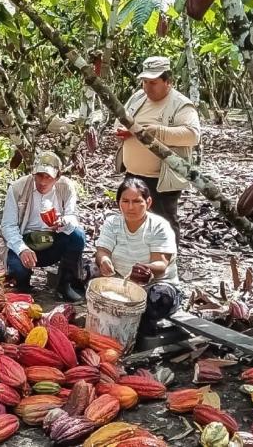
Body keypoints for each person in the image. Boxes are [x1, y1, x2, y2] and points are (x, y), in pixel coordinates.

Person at [115, 56, 201, 241]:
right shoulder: (138, 98)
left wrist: (155, 132)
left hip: (161, 178)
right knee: (134, 218)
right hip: (133, 173)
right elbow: (120, 119)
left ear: (168, 82)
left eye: (153, 82)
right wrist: (125, 130)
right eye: (145, 82)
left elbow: (193, 135)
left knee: (164, 221)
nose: (147, 87)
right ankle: (140, 259)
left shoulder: (180, 104)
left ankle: (168, 263)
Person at [95, 178, 182, 334]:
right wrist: (104, 260)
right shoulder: (112, 223)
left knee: (157, 299)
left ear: (148, 202)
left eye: (136, 201)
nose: (130, 207)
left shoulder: (159, 226)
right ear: (118, 203)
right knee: (88, 270)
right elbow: (102, 250)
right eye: (125, 201)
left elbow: (161, 265)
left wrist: (144, 269)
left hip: (155, 285)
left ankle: (142, 328)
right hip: (121, 282)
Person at [1, 151, 85, 302]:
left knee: (78, 237)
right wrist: (22, 249)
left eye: (48, 177)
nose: (43, 182)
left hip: (53, 241)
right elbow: (8, 226)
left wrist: (63, 222)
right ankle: (22, 284)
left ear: (58, 177)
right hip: (26, 241)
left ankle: (64, 284)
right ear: (33, 173)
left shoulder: (65, 187)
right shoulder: (18, 188)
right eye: (39, 175)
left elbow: (73, 217)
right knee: (18, 269)